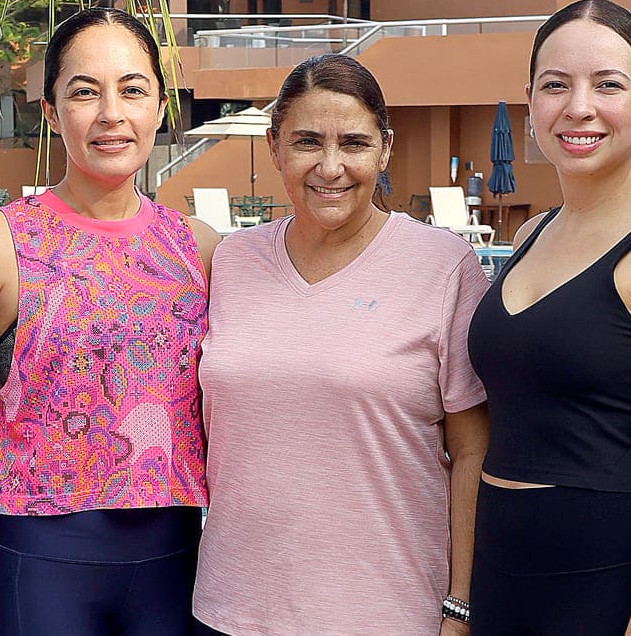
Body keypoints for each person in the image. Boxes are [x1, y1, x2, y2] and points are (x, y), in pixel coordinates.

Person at [0, 8, 220, 635]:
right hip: (37, 574)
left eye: (133, 89)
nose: (111, 113)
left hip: (176, 575)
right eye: (85, 91)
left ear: (161, 106)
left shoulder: (198, 247)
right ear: (50, 111)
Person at [192, 53, 490, 635]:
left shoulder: (443, 268)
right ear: (275, 146)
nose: (331, 167)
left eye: (353, 143)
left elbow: (474, 454)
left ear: (385, 149)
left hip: (388, 614)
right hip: (229, 611)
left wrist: (460, 606)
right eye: (307, 142)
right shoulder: (232, 262)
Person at [467, 0, 631, 634]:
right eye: (555, 85)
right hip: (501, 579)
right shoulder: (533, 232)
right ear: (530, 101)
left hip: (606, 587)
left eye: (608, 85)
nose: (578, 107)